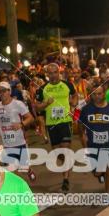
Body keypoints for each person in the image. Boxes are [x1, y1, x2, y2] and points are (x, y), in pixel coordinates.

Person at [34, 63, 77, 192]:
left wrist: (73, 106)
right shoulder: (42, 89)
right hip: (51, 124)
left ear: (59, 72)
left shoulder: (67, 85)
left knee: (65, 149)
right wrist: (45, 103)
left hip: (65, 121)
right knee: (58, 153)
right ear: (47, 74)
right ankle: (67, 164)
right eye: (50, 73)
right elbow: (37, 107)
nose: (53, 75)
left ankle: (65, 180)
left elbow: (74, 95)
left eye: (55, 72)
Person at [79, 81, 109, 192]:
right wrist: (83, 139)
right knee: (97, 172)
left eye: (99, 94)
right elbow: (80, 126)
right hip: (92, 145)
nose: (97, 96)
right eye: (94, 94)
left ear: (104, 93)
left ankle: (107, 194)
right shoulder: (86, 110)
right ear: (91, 94)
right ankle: (99, 174)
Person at [0, 81, 36, 182]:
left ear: (9, 91)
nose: (2, 93)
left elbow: (30, 118)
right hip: (6, 143)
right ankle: (18, 189)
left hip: (19, 141)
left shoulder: (18, 104)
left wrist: (21, 124)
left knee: (23, 166)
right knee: (11, 169)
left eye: (4, 91)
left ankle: (29, 170)